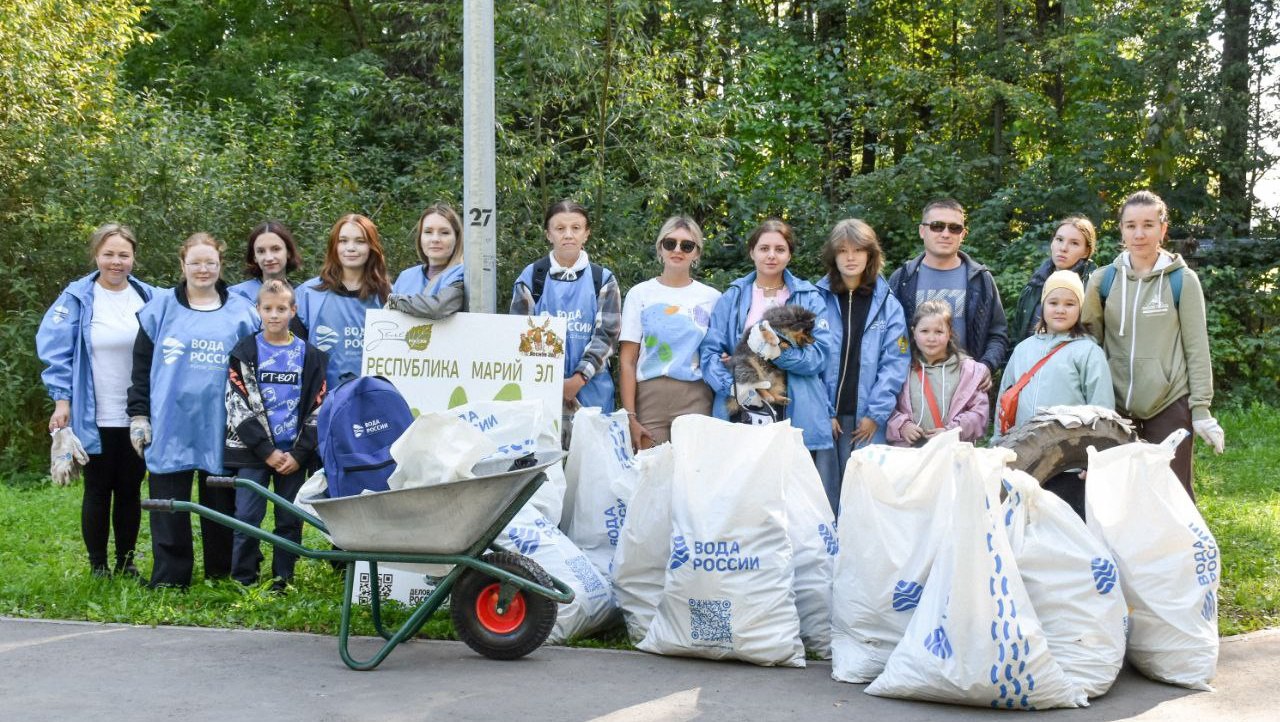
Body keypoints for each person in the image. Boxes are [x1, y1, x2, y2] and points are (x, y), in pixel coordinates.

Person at [127, 233, 259, 588]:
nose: (203, 269)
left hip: (223, 424)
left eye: (210, 262)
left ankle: (221, 573)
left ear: (220, 265)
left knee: (221, 503)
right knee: (168, 502)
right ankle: (171, 577)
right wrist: (139, 414)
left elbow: (254, 369)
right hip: (171, 423)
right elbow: (141, 368)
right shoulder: (160, 309)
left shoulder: (242, 312)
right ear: (182, 264)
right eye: (196, 262)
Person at [1081, 190, 1223, 499]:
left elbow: (1197, 347)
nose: (1139, 233)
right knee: (1118, 493)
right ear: (1121, 229)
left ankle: (1181, 547)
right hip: (1115, 403)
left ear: (1163, 229)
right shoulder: (1103, 280)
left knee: (1172, 491)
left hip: (1169, 401)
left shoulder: (1182, 280)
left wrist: (1201, 410)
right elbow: (1089, 344)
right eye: (1130, 225)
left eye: (1148, 224)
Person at [37, 223, 157, 577]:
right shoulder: (76, 298)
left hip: (137, 414)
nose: (116, 262)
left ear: (134, 257)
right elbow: (56, 351)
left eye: (124, 255)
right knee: (98, 487)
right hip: (94, 411)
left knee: (131, 488)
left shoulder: (151, 297)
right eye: (109, 254)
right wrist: (62, 401)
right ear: (96, 256)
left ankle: (126, 561)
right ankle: (98, 565)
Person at [225, 280, 328, 590]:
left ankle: (284, 579)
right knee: (246, 516)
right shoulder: (245, 352)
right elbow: (236, 404)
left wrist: (299, 454)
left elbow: (318, 407)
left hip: (293, 457)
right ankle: (244, 579)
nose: (274, 315)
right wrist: (265, 450)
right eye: (267, 309)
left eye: (281, 309)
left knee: (288, 519)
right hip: (253, 453)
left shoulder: (310, 356)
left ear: (292, 311)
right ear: (258, 310)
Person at [699, 219, 834, 454]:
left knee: (789, 484)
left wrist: (778, 352)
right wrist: (732, 386)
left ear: (789, 255)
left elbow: (819, 357)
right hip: (742, 405)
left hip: (794, 408)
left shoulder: (809, 297)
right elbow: (709, 352)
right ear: (752, 252)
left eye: (780, 249)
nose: (771, 255)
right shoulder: (732, 297)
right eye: (764, 248)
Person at [995, 271, 1113, 515]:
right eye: (1053, 302)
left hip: (1068, 465)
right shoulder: (1022, 350)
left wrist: (1097, 461)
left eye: (1069, 304)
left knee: (1066, 534)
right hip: (1023, 462)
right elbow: (1004, 402)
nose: (1060, 310)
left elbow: (1102, 411)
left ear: (1080, 309)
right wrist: (997, 447)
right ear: (1042, 305)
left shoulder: (1088, 352)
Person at [813, 219, 910, 513]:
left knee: (867, 492)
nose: (850, 257)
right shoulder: (815, 298)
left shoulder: (888, 304)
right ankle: (826, 554)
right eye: (842, 250)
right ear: (833, 256)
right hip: (826, 416)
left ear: (870, 255)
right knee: (822, 492)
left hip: (867, 418)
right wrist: (822, 412)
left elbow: (895, 362)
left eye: (858, 250)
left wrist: (876, 414)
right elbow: (808, 361)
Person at [510, 200, 621, 446]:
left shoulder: (602, 279)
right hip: (541, 395)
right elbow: (519, 336)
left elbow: (607, 334)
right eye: (560, 229)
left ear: (587, 233)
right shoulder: (531, 278)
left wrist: (577, 380)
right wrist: (554, 384)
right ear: (548, 233)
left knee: (591, 473)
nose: (568, 235)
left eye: (576, 228)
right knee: (544, 473)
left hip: (592, 392)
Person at [618, 216, 721, 449]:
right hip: (649, 397)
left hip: (696, 396)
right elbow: (627, 361)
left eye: (687, 245)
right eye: (670, 243)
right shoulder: (640, 294)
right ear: (660, 248)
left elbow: (717, 353)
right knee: (651, 474)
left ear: (696, 253)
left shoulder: (712, 298)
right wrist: (630, 416)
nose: (677, 250)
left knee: (693, 476)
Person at [887, 198, 1009, 380]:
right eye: (937, 226)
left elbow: (998, 335)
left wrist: (986, 367)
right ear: (922, 231)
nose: (946, 233)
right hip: (911, 386)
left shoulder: (980, 280)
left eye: (954, 228)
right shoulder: (903, 279)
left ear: (963, 234)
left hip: (966, 387)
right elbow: (888, 335)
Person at [295, 214, 390, 392]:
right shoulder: (307, 294)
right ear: (334, 246)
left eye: (360, 241)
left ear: (371, 247)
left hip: (375, 400)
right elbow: (290, 355)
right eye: (343, 241)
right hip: (322, 403)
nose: (351, 248)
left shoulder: (388, 296)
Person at [886, 300, 989, 446]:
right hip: (909, 456)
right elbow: (886, 404)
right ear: (913, 332)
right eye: (924, 331)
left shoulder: (969, 370)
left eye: (939, 332)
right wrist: (902, 426)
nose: (931, 338)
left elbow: (979, 413)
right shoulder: (900, 369)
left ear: (950, 333)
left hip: (953, 454)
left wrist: (951, 432)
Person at [1009, 215, 1099, 343]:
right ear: (1052, 243)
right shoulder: (1034, 285)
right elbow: (1016, 337)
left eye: (1074, 243)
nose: (1063, 248)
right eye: (1059, 239)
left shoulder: (1093, 289)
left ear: (1086, 251)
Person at [386, 202, 467, 319]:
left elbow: (438, 308)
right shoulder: (406, 277)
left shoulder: (461, 274)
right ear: (420, 237)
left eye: (444, 233)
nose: (435, 239)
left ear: (457, 238)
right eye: (428, 232)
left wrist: (396, 301)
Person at [228, 221, 304, 304]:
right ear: (254, 257)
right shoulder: (238, 295)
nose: (269, 258)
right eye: (261, 251)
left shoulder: (302, 295)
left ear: (288, 252)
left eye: (276, 249)